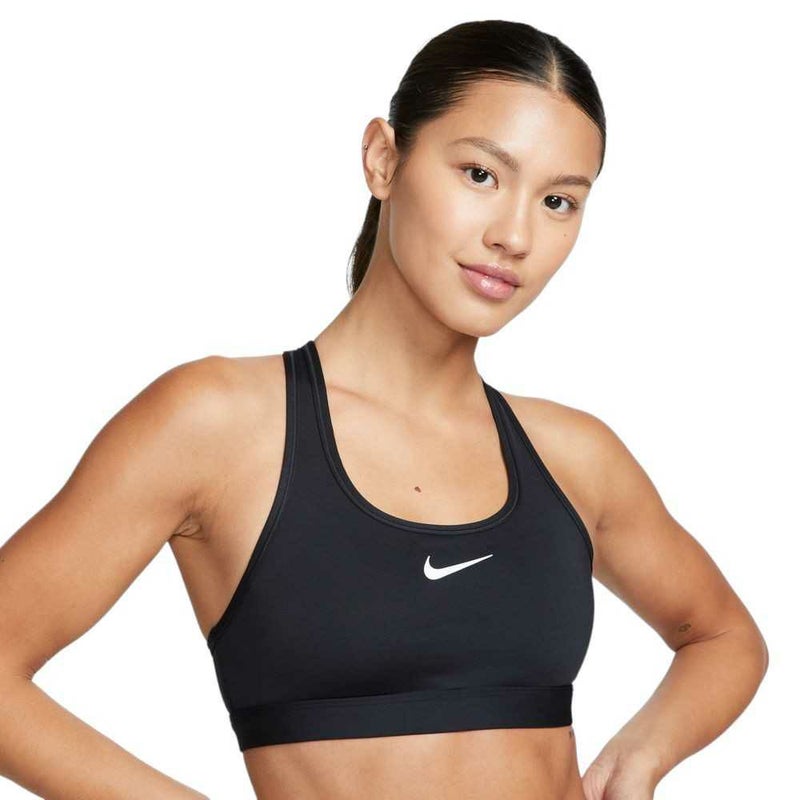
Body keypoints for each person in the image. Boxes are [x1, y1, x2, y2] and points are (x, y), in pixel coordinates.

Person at [0, 18, 769, 800]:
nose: (515, 235)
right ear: (383, 158)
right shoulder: (219, 425)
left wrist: (639, 757)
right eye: (480, 174)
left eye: (559, 201)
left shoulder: (575, 456)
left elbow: (724, 636)